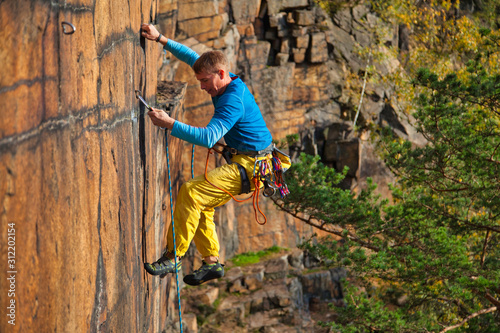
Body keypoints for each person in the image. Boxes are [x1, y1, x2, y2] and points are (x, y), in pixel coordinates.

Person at [140, 23, 273, 286]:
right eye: (200, 80)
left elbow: (207, 137)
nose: (202, 87)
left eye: (205, 81)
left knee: (191, 191)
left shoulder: (231, 100)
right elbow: (194, 58)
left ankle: (172, 256)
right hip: (249, 160)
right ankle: (212, 263)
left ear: (221, 74)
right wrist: (161, 39)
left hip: (252, 165)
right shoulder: (226, 79)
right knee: (202, 203)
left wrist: (169, 123)